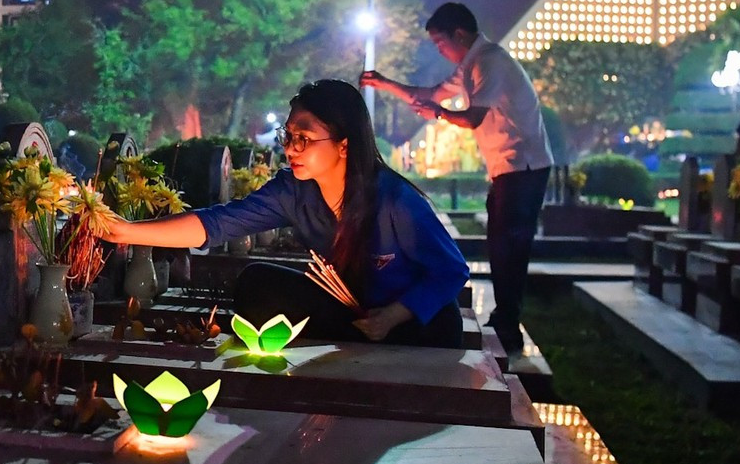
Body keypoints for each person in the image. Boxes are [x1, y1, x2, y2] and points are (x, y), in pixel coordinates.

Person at [95, 79, 470, 346]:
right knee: (257, 283)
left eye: (303, 138)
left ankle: (372, 343)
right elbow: (217, 223)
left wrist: (394, 316)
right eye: (288, 136)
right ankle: (351, 343)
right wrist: (127, 231)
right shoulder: (294, 190)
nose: (291, 149)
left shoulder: (395, 200)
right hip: (351, 316)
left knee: (437, 320)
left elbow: (452, 270)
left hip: (409, 325)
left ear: (344, 144)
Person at [361, 1, 554, 355]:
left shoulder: (489, 61)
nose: (440, 50)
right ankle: (505, 321)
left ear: (459, 34)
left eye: (440, 42)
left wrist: (440, 113)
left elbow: (474, 117)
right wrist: (384, 84)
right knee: (502, 244)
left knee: (510, 246)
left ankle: (509, 326)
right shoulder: (470, 65)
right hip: (508, 169)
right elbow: (431, 95)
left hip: (524, 167)